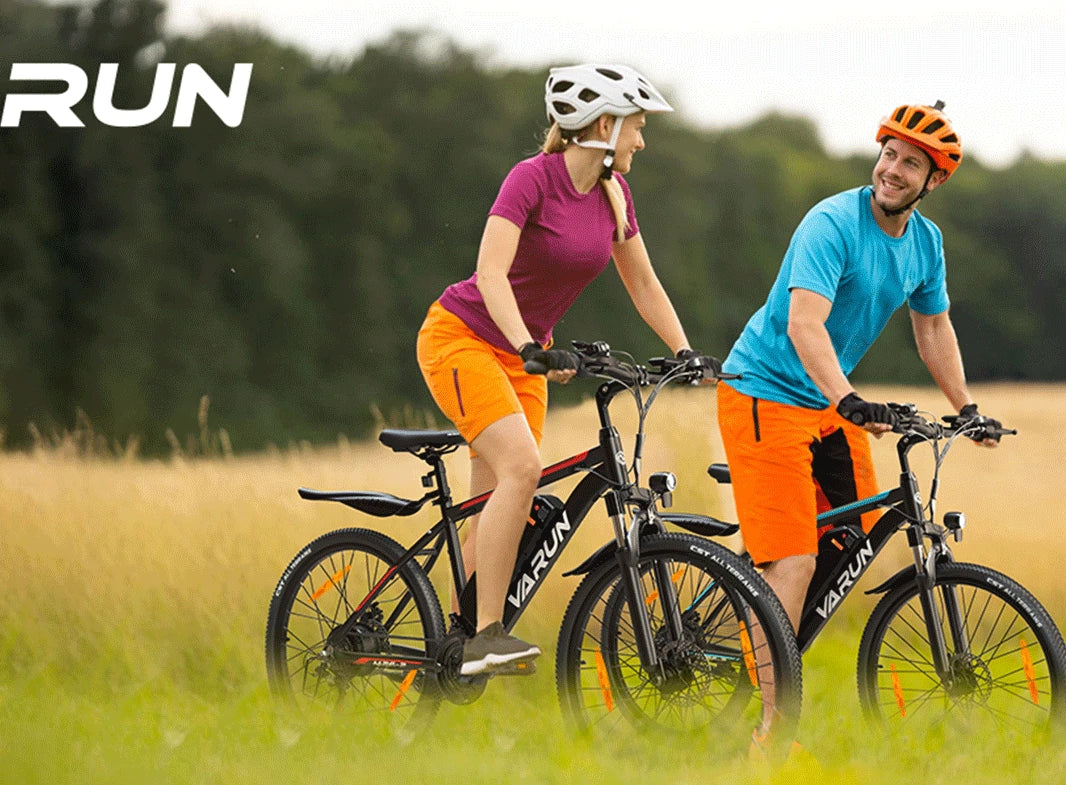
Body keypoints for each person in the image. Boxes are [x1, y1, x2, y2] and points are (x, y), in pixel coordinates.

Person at [417, 63, 717, 675]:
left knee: (495, 504)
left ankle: (453, 646)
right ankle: (488, 636)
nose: (642, 141)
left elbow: (643, 283)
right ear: (604, 126)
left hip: (527, 359)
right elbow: (491, 273)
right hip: (462, 339)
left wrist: (685, 352)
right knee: (522, 469)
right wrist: (529, 344)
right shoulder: (531, 179)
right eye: (636, 126)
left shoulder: (614, 194)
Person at [717, 100, 1005, 636]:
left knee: (858, 535)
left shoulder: (926, 243)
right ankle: (770, 682)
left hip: (824, 402)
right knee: (794, 561)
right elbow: (805, 324)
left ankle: (761, 607)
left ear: (934, 180)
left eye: (911, 163)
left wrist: (966, 408)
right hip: (762, 391)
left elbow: (933, 329)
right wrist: (848, 399)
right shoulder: (832, 224)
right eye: (889, 154)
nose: (892, 170)